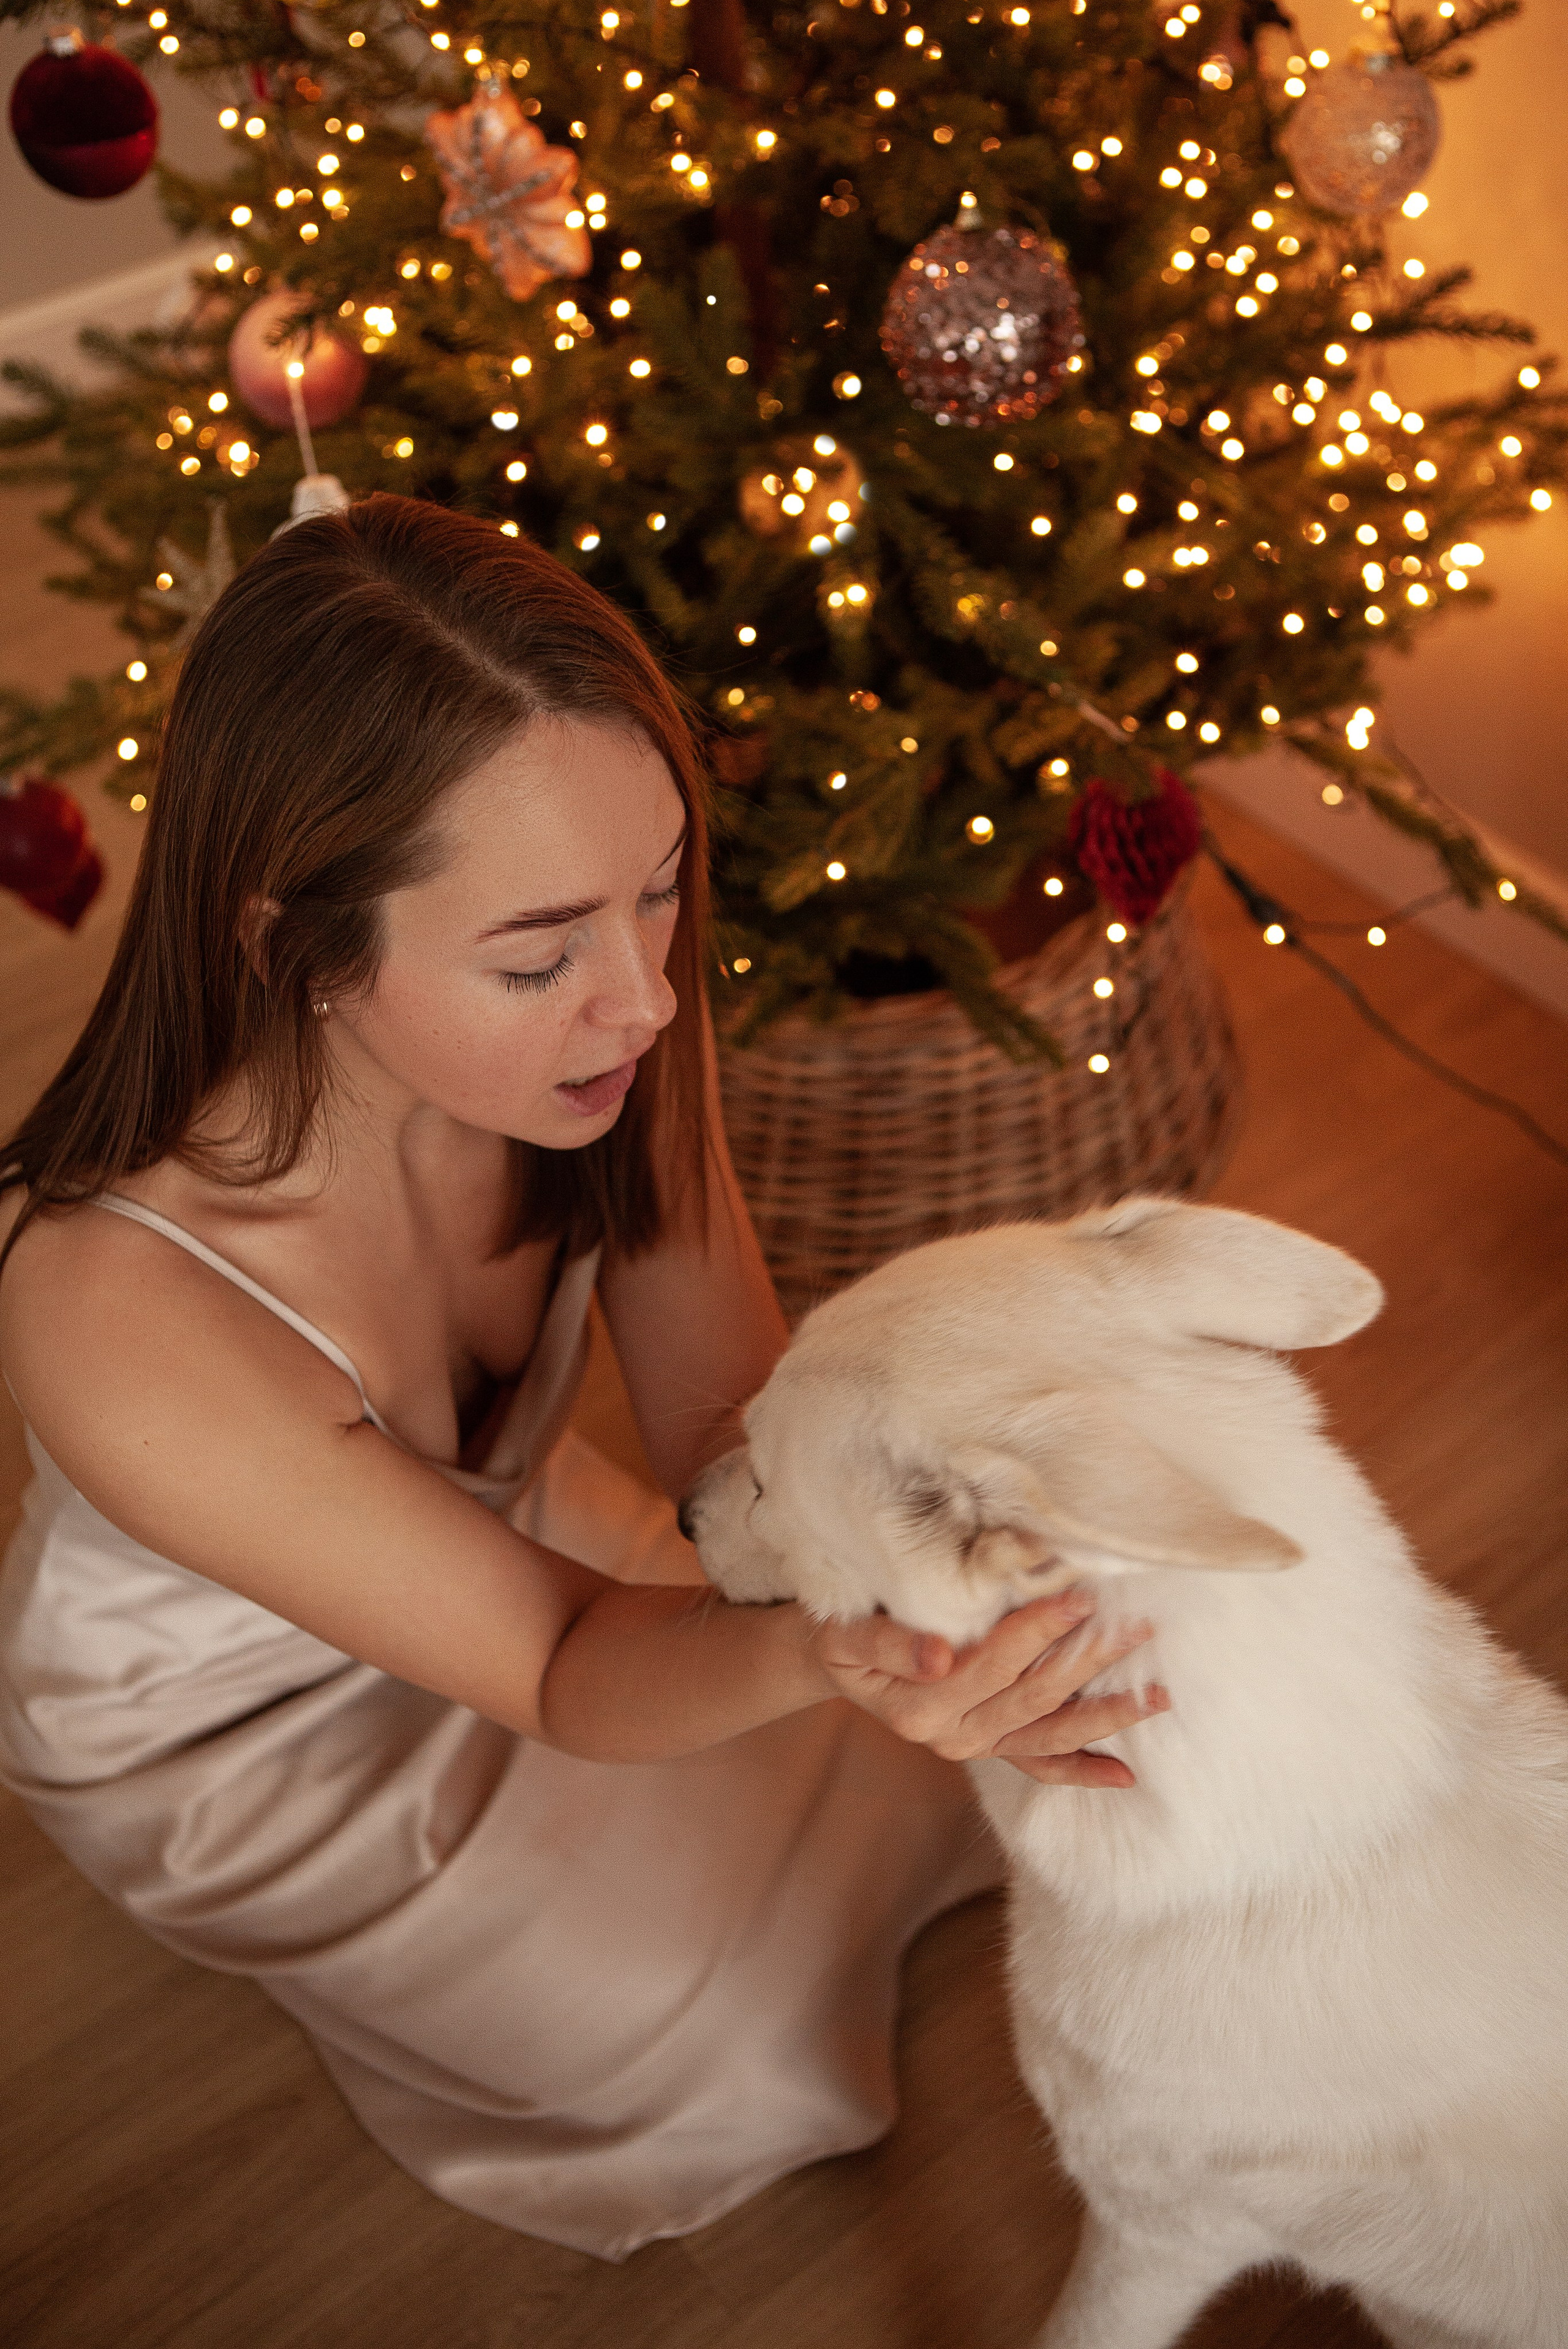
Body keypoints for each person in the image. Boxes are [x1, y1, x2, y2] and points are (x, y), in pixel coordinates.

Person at [0, 496, 1161, 2261]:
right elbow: (552, 1660)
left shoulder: (610, 1023)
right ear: (292, 946)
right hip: (250, 1740)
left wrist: (938, 1551)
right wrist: (828, 1651)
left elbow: (722, 1431)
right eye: (538, 953)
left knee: (977, 1753)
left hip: (532, 1569)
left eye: (664, 885)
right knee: (720, 2048)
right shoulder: (115, 1313)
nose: (639, 996)